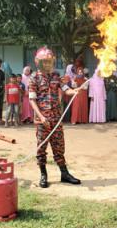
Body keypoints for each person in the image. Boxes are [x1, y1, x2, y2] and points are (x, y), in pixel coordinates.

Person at [28, 46, 81, 188]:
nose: (47, 64)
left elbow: (66, 89)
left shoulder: (57, 76)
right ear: (39, 62)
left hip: (56, 119)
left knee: (59, 147)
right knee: (41, 148)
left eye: (49, 61)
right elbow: (32, 100)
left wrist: (73, 91)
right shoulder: (34, 78)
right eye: (44, 61)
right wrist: (41, 117)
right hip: (42, 120)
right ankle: (43, 175)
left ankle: (64, 174)